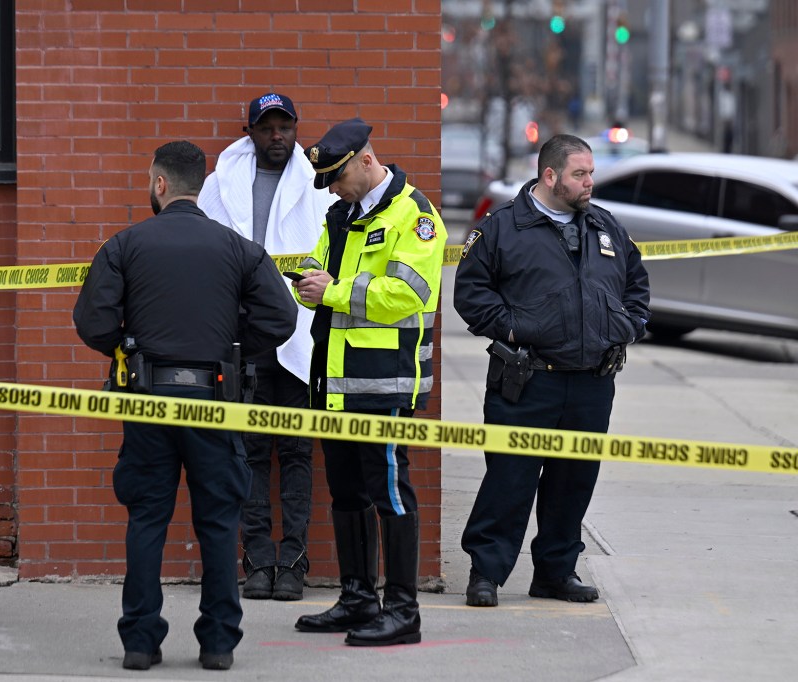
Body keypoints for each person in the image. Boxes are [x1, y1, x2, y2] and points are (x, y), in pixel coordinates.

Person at [73, 141, 296, 672]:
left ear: (158, 184)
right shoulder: (237, 248)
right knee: (219, 522)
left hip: (148, 400)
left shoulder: (125, 244)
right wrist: (230, 342)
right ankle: (218, 643)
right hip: (214, 403)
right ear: (201, 185)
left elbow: (93, 322)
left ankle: (139, 642)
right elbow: (281, 316)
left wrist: (126, 345)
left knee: (147, 519)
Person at [452, 134, 650, 608]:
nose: (589, 183)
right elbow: (471, 294)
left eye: (591, 173)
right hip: (527, 380)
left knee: (573, 481)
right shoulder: (501, 227)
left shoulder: (605, 227)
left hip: (592, 382)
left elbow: (636, 286)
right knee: (509, 479)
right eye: (580, 174)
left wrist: (626, 326)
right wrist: (517, 328)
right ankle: (486, 573)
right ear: (550, 176)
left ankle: (556, 573)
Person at [290, 118, 446, 647]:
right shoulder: (341, 215)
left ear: (366, 160)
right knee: (347, 493)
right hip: (335, 381)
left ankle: (403, 610)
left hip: (384, 382)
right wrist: (308, 284)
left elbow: (406, 294)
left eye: (337, 177)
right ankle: (358, 597)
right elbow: (316, 266)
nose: (332, 188)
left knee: (390, 495)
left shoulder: (416, 216)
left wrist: (331, 291)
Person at [197, 92, 332, 601]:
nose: (278, 136)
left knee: (297, 452)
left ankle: (294, 563)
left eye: (285, 126)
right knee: (249, 452)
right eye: (267, 127)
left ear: (296, 129)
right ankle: (256, 561)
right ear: (251, 131)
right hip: (245, 339)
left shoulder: (316, 184)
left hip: (299, 338)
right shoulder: (223, 184)